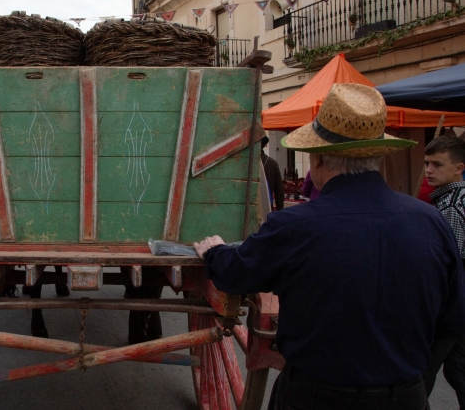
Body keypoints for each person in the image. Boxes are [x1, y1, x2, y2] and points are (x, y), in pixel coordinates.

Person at [193, 84, 465, 410]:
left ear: (318, 158)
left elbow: (236, 273)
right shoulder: (431, 222)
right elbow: (451, 320)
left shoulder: (296, 226)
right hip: (404, 395)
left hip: (315, 395)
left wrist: (214, 251)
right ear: (376, 156)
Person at [422, 135, 465, 408]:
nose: (428, 170)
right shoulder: (454, 199)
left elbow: (450, 265)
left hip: (450, 306)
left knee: (420, 375)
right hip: (459, 306)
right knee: (459, 368)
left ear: (459, 168)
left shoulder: (450, 206)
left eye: (437, 164)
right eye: (427, 163)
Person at [261, 136, 284, 210]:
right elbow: (279, 189)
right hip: (266, 206)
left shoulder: (243, 162)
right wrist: (280, 210)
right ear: (265, 145)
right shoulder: (272, 163)